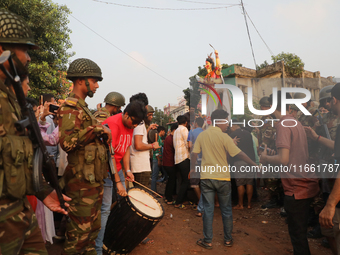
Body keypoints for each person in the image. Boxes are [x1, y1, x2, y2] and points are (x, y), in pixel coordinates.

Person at [0, 9, 70, 254]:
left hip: (18, 209)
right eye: (25, 50)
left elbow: (18, 158)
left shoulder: (12, 98)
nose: (29, 58)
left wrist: (41, 191)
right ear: (2, 50)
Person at [57, 58, 112, 254]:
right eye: (94, 80)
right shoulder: (71, 107)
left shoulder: (84, 108)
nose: (97, 85)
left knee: (92, 234)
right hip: (80, 187)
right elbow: (67, 143)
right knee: (78, 239)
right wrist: (97, 129)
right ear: (81, 81)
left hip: (92, 183)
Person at [260, 91, 319, 255]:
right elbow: (292, 154)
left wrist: (265, 158)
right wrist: (275, 155)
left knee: (298, 235)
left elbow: (284, 159)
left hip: (296, 187)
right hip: (306, 182)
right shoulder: (295, 122)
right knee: (299, 232)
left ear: (271, 107)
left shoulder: (282, 125)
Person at [191, 109, 258, 249]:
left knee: (208, 210)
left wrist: (192, 169)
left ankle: (207, 240)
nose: (228, 124)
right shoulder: (225, 137)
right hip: (223, 179)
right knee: (226, 210)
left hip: (207, 178)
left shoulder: (202, 136)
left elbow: (194, 153)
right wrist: (254, 164)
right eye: (226, 121)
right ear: (219, 121)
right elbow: (239, 154)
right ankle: (228, 240)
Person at [96, 100, 146, 253]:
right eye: (134, 122)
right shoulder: (112, 125)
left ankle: (118, 237)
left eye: (138, 124)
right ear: (125, 114)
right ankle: (98, 248)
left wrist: (127, 170)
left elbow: (124, 149)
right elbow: (108, 155)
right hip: (104, 169)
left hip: (117, 169)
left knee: (124, 203)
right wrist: (117, 181)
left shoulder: (130, 125)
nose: (135, 126)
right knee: (105, 209)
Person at [305, 83, 340, 255]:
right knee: (324, 195)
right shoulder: (322, 119)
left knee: (329, 198)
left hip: (334, 167)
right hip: (326, 163)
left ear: (333, 100)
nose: (326, 106)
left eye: (328, 102)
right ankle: (325, 229)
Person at [229, 121, 256, 210]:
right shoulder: (248, 133)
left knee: (240, 183)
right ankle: (249, 204)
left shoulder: (233, 134)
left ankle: (240, 204)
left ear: (233, 125)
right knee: (249, 183)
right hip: (250, 161)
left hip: (239, 161)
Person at [188, 117, 204, 216]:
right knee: (206, 184)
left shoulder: (192, 132)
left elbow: (190, 146)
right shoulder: (206, 132)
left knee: (194, 183)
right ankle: (215, 203)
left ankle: (200, 202)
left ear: (195, 123)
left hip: (196, 159)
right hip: (206, 160)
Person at [173, 115, 190, 208]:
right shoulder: (184, 130)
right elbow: (188, 144)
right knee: (186, 181)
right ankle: (178, 202)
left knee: (182, 180)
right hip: (184, 157)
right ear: (186, 123)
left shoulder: (176, 131)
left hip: (177, 158)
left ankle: (184, 199)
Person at [163, 123, 178, 204]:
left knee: (170, 180)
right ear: (175, 130)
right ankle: (169, 199)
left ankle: (167, 196)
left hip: (166, 162)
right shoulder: (172, 139)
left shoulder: (168, 138)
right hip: (170, 163)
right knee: (172, 181)